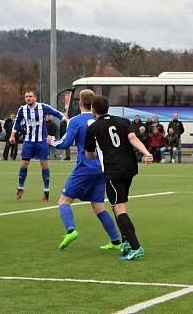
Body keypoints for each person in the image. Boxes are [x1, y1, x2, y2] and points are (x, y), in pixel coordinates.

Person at [47, 89, 121, 250]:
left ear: (79, 103)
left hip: (84, 167)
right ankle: (115, 240)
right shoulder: (101, 120)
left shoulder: (76, 121)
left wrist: (52, 141)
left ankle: (70, 230)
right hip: (102, 169)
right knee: (99, 206)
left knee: (63, 201)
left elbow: (65, 144)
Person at [85, 95, 153, 261]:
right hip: (129, 168)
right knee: (119, 205)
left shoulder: (93, 128)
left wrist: (95, 153)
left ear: (93, 110)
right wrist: (146, 153)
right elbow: (133, 139)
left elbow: (89, 155)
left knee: (119, 207)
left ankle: (136, 247)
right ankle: (126, 242)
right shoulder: (123, 121)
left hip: (112, 170)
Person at [9, 90, 68, 201]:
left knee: (44, 165)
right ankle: (20, 187)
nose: (28, 98)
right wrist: (12, 135)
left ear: (35, 97)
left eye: (30, 96)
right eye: (26, 96)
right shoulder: (22, 109)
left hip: (41, 141)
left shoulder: (43, 107)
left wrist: (65, 119)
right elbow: (17, 122)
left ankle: (46, 190)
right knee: (24, 164)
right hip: (28, 141)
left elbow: (55, 112)